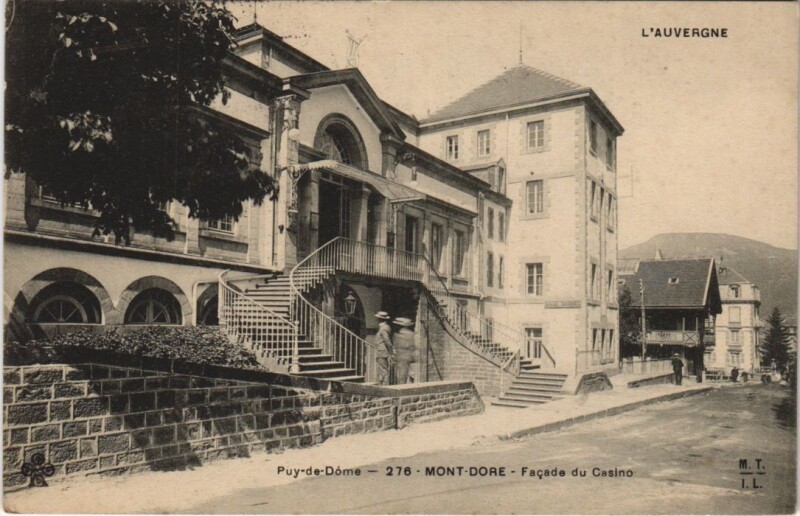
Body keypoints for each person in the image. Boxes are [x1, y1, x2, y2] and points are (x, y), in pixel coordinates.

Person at [392, 317, 417, 385]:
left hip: (401, 357)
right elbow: (413, 346)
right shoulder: (412, 334)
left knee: (401, 377)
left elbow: (396, 345)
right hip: (409, 357)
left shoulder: (398, 335)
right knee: (408, 375)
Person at [374, 311, 394, 385]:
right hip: (381, 352)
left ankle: (386, 386)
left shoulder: (383, 329)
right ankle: (384, 384)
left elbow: (387, 341)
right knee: (382, 370)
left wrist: (391, 352)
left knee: (384, 371)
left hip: (382, 352)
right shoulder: (383, 328)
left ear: (380, 319)